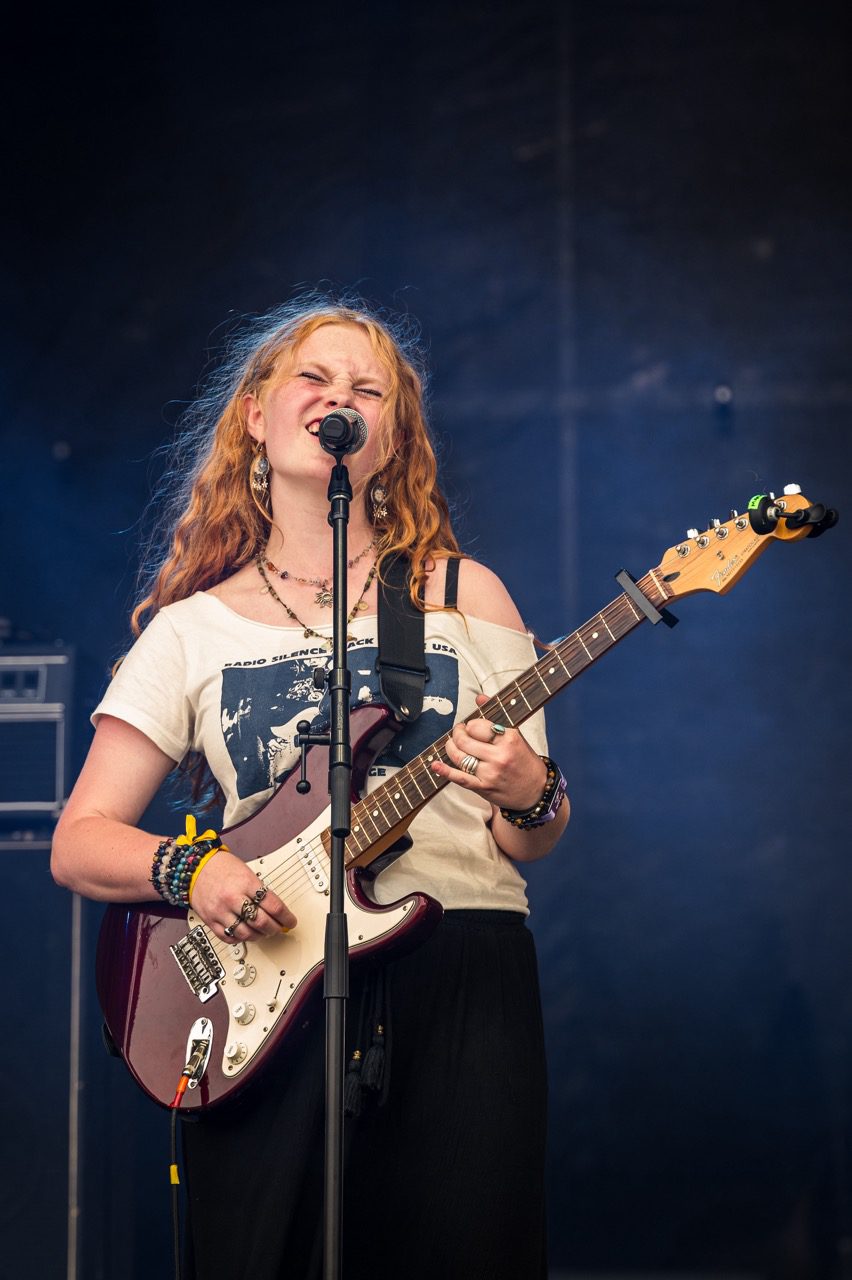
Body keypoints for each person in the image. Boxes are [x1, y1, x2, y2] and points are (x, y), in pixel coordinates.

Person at [51, 295, 570, 1280]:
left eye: (367, 390)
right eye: (315, 379)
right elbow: (81, 839)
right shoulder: (192, 629)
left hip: (461, 970)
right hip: (264, 980)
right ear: (257, 414)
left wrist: (529, 785)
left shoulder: (464, 595)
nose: (341, 399)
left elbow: (528, 835)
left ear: (389, 437)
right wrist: (195, 868)